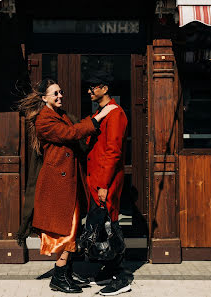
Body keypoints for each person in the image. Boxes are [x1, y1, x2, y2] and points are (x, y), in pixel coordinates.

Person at [17, 78, 117, 294]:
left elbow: (75, 129)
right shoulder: (44, 119)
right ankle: (59, 277)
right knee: (67, 231)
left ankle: (66, 272)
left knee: (71, 228)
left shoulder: (59, 115)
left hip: (67, 181)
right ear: (44, 98)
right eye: (55, 94)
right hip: (57, 183)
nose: (60, 96)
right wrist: (98, 117)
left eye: (61, 92)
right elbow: (70, 134)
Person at [85, 72, 130, 296]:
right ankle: (110, 269)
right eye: (89, 88)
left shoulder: (115, 113)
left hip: (106, 181)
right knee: (103, 225)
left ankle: (121, 276)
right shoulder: (102, 112)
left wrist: (103, 184)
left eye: (93, 87)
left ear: (104, 88)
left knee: (112, 225)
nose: (89, 91)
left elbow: (113, 152)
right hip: (98, 180)